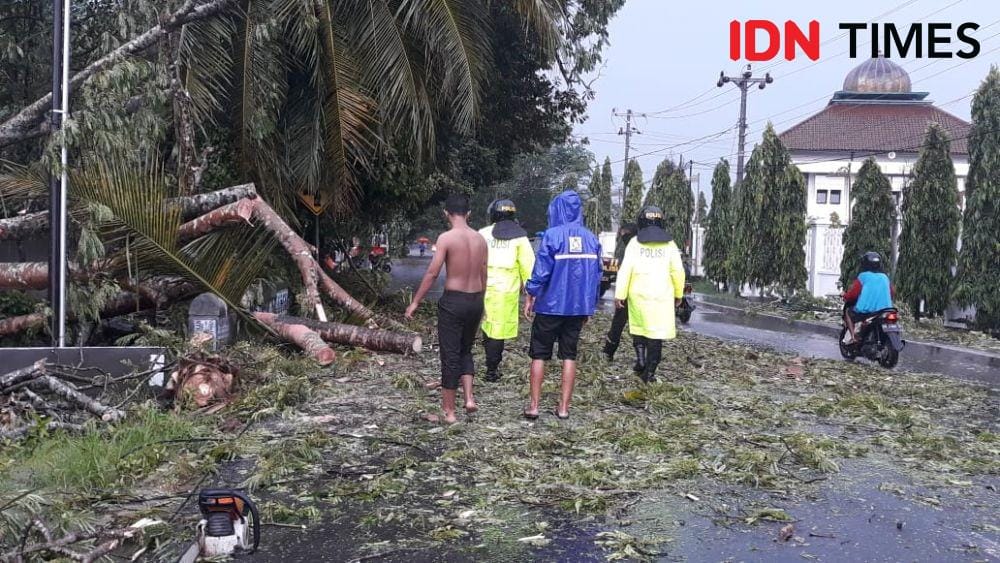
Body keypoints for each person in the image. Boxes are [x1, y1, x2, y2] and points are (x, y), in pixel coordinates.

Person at [405, 194, 488, 423]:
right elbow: (484, 273)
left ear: (446, 213)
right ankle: (469, 399)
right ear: (468, 213)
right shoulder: (480, 239)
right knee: (466, 349)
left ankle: (449, 412)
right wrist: (483, 301)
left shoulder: (446, 238)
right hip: (475, 300)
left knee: (450, 355)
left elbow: (433, 272)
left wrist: (415, 301)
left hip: (454, 301)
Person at [522, 190, 602, 420]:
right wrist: (590, 305)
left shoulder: (552, 236)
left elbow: (541, 271)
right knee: (570, 355)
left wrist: (531, 293)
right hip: (577, 309)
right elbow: (596, 275)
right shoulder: (591, 238)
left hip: (549, 306)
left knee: (539, 355)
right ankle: (564, 409)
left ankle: (534, 406)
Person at [614, 206, 686, 383]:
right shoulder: (670, 245)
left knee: (639, 328)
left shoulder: (634, 244)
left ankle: (640, 359)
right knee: (656, 335)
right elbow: (678, 272)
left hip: (638, 295)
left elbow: (625, 271)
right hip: (661, 298)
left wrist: (620, 295)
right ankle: (650, 372)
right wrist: (678, 294)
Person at [480, 199, 535, 382]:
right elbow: (528, 268)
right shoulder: (520, 238)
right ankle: (492, 369)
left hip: (482, 287)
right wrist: (531, 294)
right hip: (505, 292)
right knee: (498, 331)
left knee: (486, 325)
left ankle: (487, 361)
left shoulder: (483, 234)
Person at [841, 251, 895, 344]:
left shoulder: (863, 276)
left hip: (867, 311)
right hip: (886, 310)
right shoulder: (884, 277)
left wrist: (845, 295)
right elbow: (892, 293)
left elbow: (853, 295)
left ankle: (854, 338)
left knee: (848, 312)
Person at [602, 223, 637, 361]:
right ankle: (642, 357)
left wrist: (620, 296)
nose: (623, 237)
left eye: (624, 234)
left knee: (619, 324)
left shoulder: (633, 247)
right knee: (620, 324)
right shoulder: (633, 245)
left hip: (631, 292)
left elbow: (624, 272)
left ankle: (609, 352)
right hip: (636, 293)